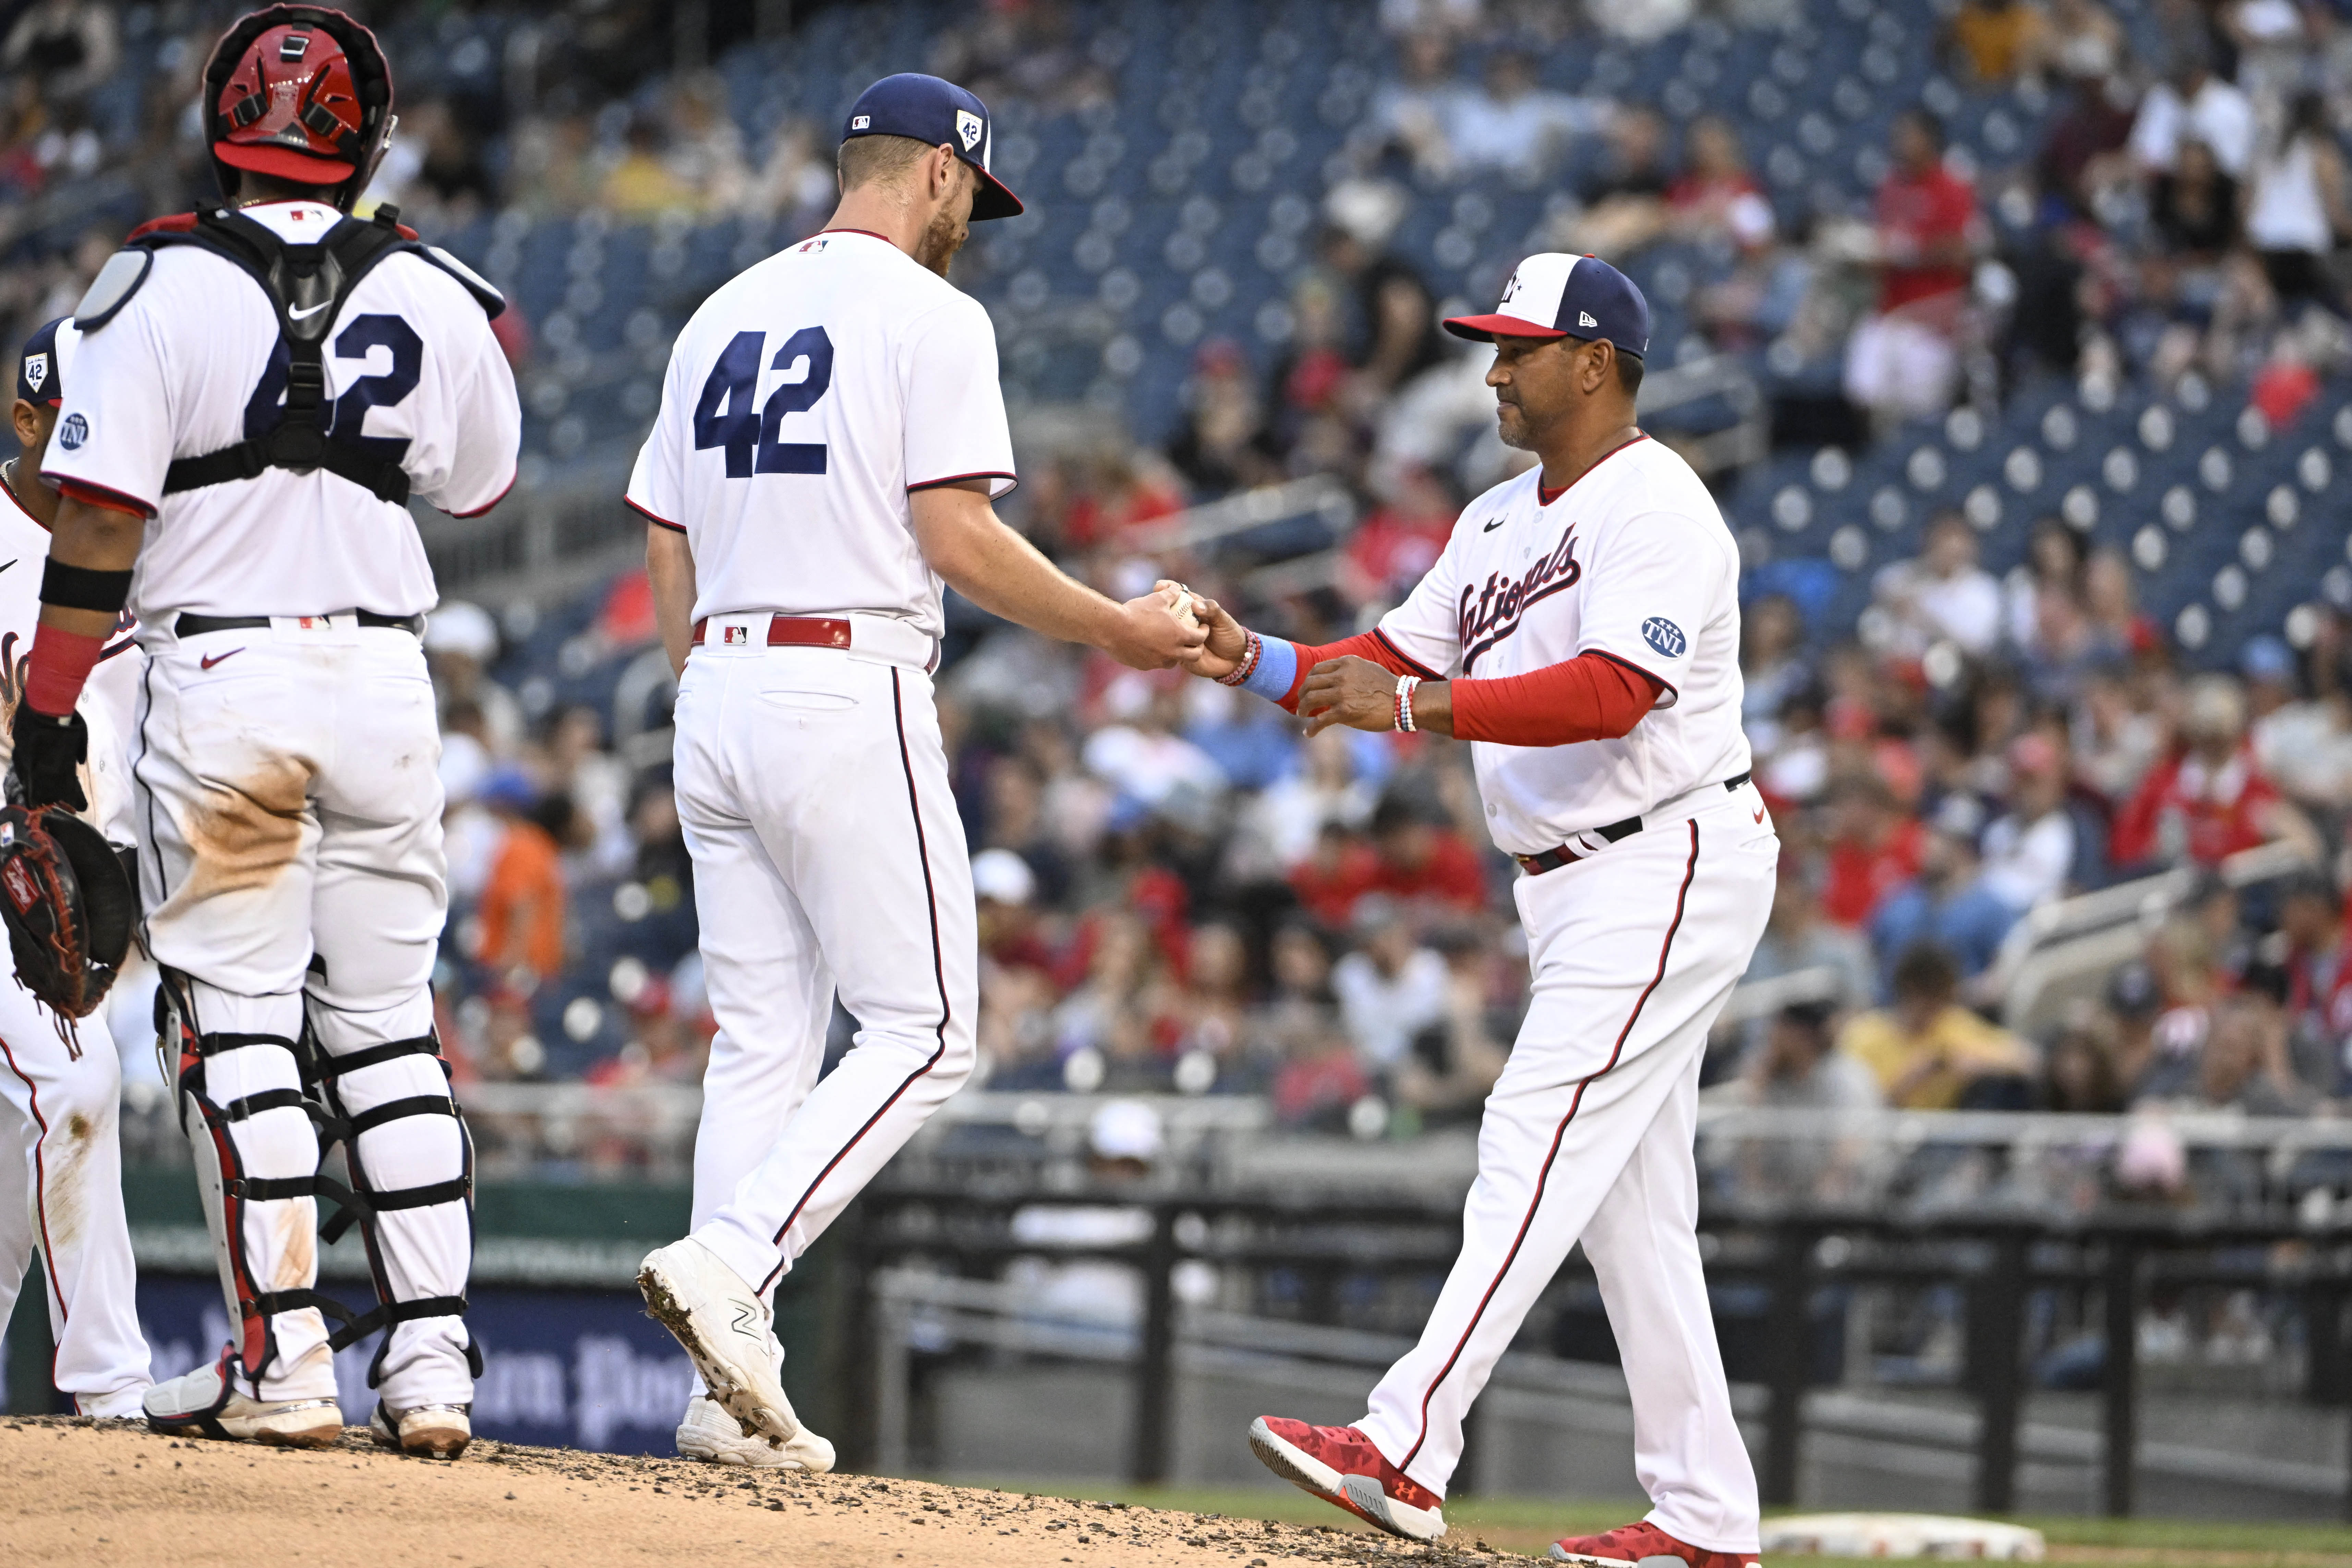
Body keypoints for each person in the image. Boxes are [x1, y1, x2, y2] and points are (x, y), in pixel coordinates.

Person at [625, 73, 1202, 1474]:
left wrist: (698, 670)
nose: (971, 227)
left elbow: (659, 527)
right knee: (931, 1029)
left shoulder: (721, 308)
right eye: (970, 198)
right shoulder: (933, 315)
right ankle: (737, 1264)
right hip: (842, 673)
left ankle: (715, 1394)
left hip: (718, 681)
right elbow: (956, 536)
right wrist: (1118, 625)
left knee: (762, 1043)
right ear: (936, 174)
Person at [1184, 252, 1777, 1566]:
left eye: (1517, 347)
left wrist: (1404, 706)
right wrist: (1256, 656)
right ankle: (1703, 1514)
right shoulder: (1499, 515)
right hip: (1573, 878)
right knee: (1629, 1203)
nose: (1493, 368)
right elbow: (1392, 660)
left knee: (1531, 1125)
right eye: (1491, 346)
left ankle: (1407, 1440)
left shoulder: (1657, 502)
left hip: (1665, 849)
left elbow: (1612, 691)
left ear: (1595, 362)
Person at [31, 6, 520, 1456]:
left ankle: (286, 1360)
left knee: (238, 1028)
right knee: (388, 1031)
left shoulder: (153, 280)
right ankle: (431, 1365)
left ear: (214, 124)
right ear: (368, 134)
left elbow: (102, 512)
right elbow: (482, 481)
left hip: (225, 681)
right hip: (382, 678)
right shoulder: (430, 284)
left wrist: (50, 707)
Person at [0, 317, 151, 1419]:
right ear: (27, 422)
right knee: (74, 1082)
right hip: (12, 878)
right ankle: (112, 1391)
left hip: (88, 890)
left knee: (26, 1145)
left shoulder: (145, 541)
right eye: (77, 429)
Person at [1843, 110, 1979, 425]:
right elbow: (1881, 245)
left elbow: (1961, 253)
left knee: (1919, 411)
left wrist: (1909, 250)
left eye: (1909, 135)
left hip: (1931, 319)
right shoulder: (1891, 186)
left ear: (1929, 141)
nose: (1900, 143)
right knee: (1863, 396)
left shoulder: (1951, 187)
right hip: (1889, 312)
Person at [1838, 943, 2035, 1109]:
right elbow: (1860, 1109)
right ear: (1909, 990)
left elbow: (2027, 1060)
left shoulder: (1954, 1024)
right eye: (1932, 997)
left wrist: (1977, 1064)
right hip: (1883, 1141)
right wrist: (1915, 1076)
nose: (1938, 1008)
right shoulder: (1865, 1035)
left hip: (1949, 1141)